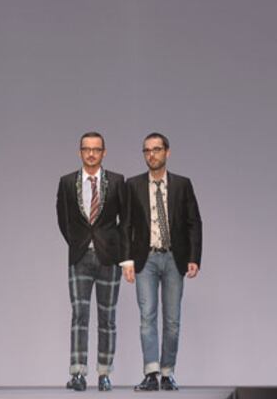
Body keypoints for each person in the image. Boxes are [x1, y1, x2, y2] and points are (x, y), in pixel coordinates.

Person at [122, 133, 202, 391]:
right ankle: (151, 373)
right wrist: (127, 261)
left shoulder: (182, 184)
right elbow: (126, 225)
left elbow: (194, 222)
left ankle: (168, 373)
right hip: (145, 258)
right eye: (147, 150)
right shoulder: (133, 185)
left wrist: (194, 257)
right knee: (147, 316)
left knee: (172, 319)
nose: (151, 154)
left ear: (167, 152)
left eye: (156, 149)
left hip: (173, 257)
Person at [56, 132, 127, 392]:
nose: (91, 153)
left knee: (107, 317)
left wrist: (122, 253)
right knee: (79, 315)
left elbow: (125, 221)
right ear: (80, 152)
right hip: (80, 257)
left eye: (96, 149)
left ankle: (104, 373)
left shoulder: (117, 181)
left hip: (110, 257)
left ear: (104, 152)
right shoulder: (67, 182)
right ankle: (78, 372)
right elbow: (62, 218)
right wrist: (78, 242)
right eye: (86, 149)